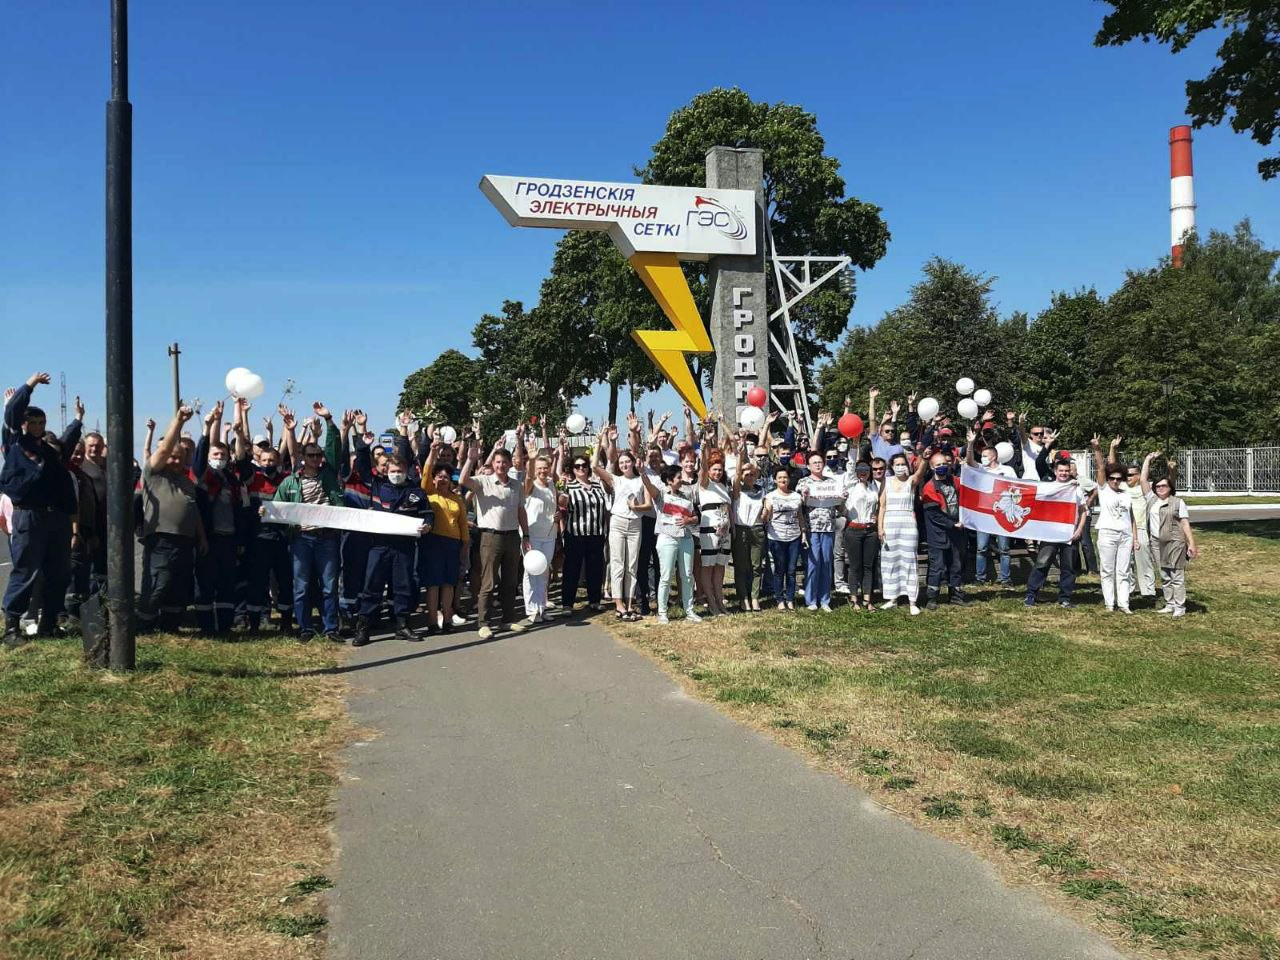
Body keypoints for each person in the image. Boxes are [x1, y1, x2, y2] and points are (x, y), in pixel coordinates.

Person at [2, 373, 83, 644]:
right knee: (26, 571)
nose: (37, 427)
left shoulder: (48, 452)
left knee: (58, 571)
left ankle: (49, 621)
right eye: (32, 423)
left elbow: (66, 445)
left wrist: (78, 421)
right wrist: (30, 385)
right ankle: (11, 628)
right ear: (23, 425)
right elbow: (12, 412)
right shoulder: (16, 443)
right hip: (29, 514)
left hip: (55, 517)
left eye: (41, 423)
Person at [272, 403, 345, 643]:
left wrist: (329, 420)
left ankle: (331, 627)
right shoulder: (290, 482)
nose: (315, 459)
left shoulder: (329, 474)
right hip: (302, 539)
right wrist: (267, 511)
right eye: (310, 455)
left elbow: (336, 448)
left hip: (327, 537)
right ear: (303, 458)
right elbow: (277, 507)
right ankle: (304, 628)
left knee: (329, 585)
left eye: (318, 455)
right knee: (301, 586)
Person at [352, 437, 433, 646]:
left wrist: (427, 525)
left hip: (404, 546)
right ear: (385, 470)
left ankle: (402, 625)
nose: (396, 474)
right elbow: (361, 465)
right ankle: (363, 628)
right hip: (379, 545)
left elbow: (428, 515)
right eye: (392, 470)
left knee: (403, 586)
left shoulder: (416, 492)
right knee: (372, 586)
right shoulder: (377, 486)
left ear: (406, 470)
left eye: (400, 470)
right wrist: (363, 444)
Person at [136, 405, 205, 635]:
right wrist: (179, 421)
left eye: (181, 457)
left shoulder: (187, 482)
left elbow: (193, 511)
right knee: (158, 583)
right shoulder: (154, 473)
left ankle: (170, 626)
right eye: (173, 457)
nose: (176, 461)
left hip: (186, 541)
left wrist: (201, 538)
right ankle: (144, 626)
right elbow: (164, 450)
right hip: (161, 539)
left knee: (179, 585)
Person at [459, 431, 527, 640]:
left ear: (509, 464)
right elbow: (462, 480)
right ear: (494, 463)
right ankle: (484, 622)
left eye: (504, 462)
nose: (501, 465)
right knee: (488, 581)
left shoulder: (516, 485)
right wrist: (470, 460)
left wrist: (527, 535)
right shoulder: (483, 481)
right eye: (497, 462)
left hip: (512, 536)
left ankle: (508, 619)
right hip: (490, 537)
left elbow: (521, 510)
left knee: (509, 581)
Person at [1024, 450, 1089, 608]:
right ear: (1055, 471)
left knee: (1068, 568)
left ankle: (1065, 598)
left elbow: (1083, 512)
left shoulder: (1076, 489)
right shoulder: (1047, 488)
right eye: (1061, 471)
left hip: (1070, 535)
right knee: (1042, 564)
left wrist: (1079, 530)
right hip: (1050, 535)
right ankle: (1031, 595)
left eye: (1067, 471)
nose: (1064, 473)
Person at [597, 439, 650, 622]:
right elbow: (595, 466)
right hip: (618, 522)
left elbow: (648, 505)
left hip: (636, 524)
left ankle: (629, 603)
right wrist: (599, 443)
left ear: (633, 462)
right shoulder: (616, 480)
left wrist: (636, 508)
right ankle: (618, 604)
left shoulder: (641, 479)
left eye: (627, 461)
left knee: (632, 565)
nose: (624, 464)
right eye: (621, 462)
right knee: (618, 563)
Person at [639, 464, 700, 624]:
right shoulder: (660, 495)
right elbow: (649, 487)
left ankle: (689, 610)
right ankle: (662, 612)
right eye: (679, 477)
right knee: (666, 576)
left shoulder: (687, 496)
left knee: (687, 575)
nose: (681, 480)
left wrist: (689, 520)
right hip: (667, 538)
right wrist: (643, 475)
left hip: (686, 538)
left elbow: (695, 517)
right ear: (669, 480)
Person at [1141, 451, 1197, 617]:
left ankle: (1180, 607)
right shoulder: (1152, 500)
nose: (1160, 488)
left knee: (1176, 574)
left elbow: (1185, 523)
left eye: (1164, 486)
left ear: (1170, 487)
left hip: (1175, 541)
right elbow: (1143, 480)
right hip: (1156, 542)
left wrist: (1191, 543)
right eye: (1158, 486)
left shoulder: (1177, 502)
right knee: (1164, 574)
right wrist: (1147, 460)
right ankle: (1169, 603)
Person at [559, 440, 610, 615]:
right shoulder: (569, 486)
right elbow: (563, 505)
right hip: (575, 534)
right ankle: (567, 603)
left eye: (584, 466)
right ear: (572, 469)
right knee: (572, 569)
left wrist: (598, 444)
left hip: (596, 533)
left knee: (595, 568)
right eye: (577, 466)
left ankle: (595, 600)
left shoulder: (597, 486)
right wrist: (562, 495)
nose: (581, 468)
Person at [1092, 436, 1137, 614]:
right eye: (1112, 478)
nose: (1115, 481)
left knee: (1124, 570)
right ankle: (1110, 603)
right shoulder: (1103, 490)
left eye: (1119, 478)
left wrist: (1135, 537)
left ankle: (1124, 604)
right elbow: (1104, 467)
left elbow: (1131, 516)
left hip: (1125, 534)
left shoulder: (1126, 493)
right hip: (1108, 533)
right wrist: (1098, 449)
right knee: (1108, 569)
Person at [920, 445, 969, 611]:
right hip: (938, 534)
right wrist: (951, 524)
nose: (942, 467)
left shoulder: (956, 481)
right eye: (938, 465)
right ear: (932, 467)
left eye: (945, 464)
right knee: (937, 566)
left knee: (956, 564)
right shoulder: (929, 487)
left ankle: (956, 595)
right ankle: (932, 598)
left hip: (957, 532)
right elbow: (934, 514)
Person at [878, 451, 926, 615]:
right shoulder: (887, 480)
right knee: (890, 561)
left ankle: (913, 601)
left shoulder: (912, 481)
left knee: (909, 560)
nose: (900, 467)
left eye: (902, 464)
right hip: (889, 524)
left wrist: (924, 459)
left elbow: (920, 473)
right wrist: (880, 527)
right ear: (892, 466)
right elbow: (882, 506)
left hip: (907, 523)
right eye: (897, 464)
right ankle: (892, 598)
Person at [797, 450, 843, 612]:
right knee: (813, 563)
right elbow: (799, 506)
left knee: (826, 562)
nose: (817, 464)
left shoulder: (832, 482)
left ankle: (825, 599)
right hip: (811, 528)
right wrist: (804, 496)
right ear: (808, 465)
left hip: (829, 527)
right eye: (814, 462)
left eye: (819, 462)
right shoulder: (803, 482)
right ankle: (811, 599)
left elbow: (839, 506)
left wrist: (843, 497)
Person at [518, 452, 557, 625]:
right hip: (532, 534)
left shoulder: (552, 485)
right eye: (539, 468)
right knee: (532, 571)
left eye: (545, 468)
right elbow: (527, 480)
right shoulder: (530, 485)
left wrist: (557, 516)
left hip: (549, 534)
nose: (542, 471)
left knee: (544, 571)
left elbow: (552, 508)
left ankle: (542, 608)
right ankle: (532, 610)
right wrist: (532, 459)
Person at [970, 441, 1016, 587]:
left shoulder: (1007, 470)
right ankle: (980, 577)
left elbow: (1017, 486)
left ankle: (1005, 579)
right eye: (981, 455)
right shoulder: (980, 469)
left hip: (1002, 512)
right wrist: (971, 443)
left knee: (1004, 548)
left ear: (994, 457)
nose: (982, 458)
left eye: (985, 456)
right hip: (984, 513)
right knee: (981, 547)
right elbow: (969, 461)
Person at [761, 466, 805, 611]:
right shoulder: (770, 496)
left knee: (791, 570)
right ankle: (779, 599)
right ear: (775, 480)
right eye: (779, 478)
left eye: (785, 477)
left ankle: (790, 598)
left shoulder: (796, 496)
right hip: (776, 537)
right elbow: (765, 517)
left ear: (789, 478)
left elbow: (800, 516)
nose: (783, 480)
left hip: (794, 536)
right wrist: (765, 512)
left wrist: (803, 532)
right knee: (779, 569)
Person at [730, 451, 767, 612]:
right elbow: (737, 475)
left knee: (756, 566)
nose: (750, 477)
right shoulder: (737, 490)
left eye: (753, 474)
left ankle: (754, 597)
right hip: (741, 530)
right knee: (741, 566)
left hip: (757, 529)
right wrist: (740, 455)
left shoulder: (762, 491)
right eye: (747, 474)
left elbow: (766, 510)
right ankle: (743, 597)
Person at [842, 460, 879, 611]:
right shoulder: (851, 486)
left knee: (869, 566)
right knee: (855, 566)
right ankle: (854, 598)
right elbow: (850, 464)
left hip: (870, 530)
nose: (863, 472)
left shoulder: (873, 487)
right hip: (854, 529)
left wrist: (876, 515)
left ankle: (867, 599)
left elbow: (877, 505)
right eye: (860, 469)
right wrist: (855, 445)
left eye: (866, 469)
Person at [1124, 457, 1158, 599]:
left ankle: (1148, 591)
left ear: (1138, 475)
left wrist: (1148, 460)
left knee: (1144, 561)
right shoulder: (1122, 487)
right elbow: (1111, 466)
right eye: (1126, 475)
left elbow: (1145, 478)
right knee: (1126, 562)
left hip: (1142, 528)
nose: (1127, 478)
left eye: (1131, 475)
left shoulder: (1146, 488)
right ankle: (1129, 588)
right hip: (1125, 529)